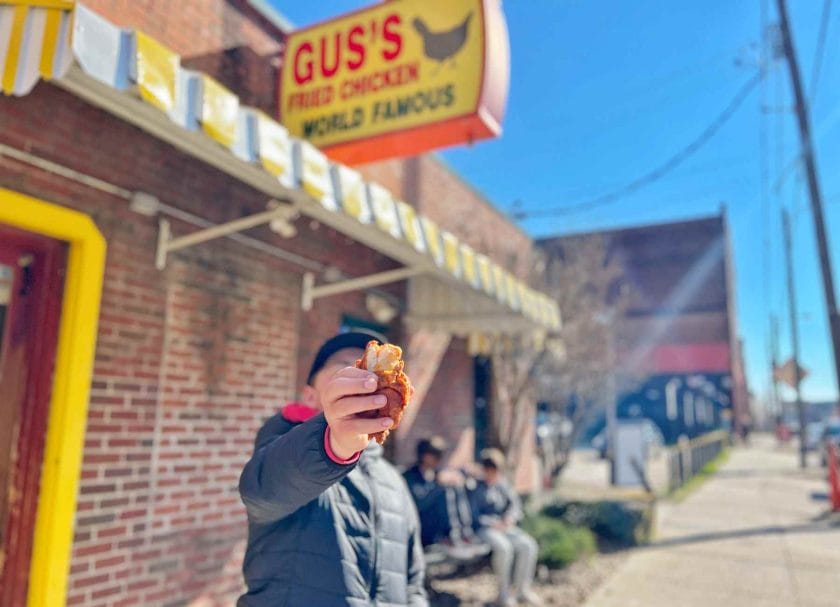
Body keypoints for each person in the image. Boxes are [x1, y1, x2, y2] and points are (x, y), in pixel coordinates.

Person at [238, 331, 427, 606]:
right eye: (345, 365)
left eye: (371, 366)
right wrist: (334, 442)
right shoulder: (281, 446)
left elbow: (413, 584)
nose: (365, 377)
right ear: (310, 395)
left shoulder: (395, 480)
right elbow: (262, 493)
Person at [472, 449, 542, 607]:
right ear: (484, 469)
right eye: (489, 470)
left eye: (495, 470)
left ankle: (522, 590)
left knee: (528, 545)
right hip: (485, 529)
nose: (492, 473)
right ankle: (503, 594)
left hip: (504, 526)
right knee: (504, 548)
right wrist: (493, 523)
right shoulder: (476, 488)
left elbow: (514, 504)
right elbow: (474, 515)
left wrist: (509, 517)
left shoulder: (502, 484)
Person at [403, 436, 476, 550]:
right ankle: (451, 535)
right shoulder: (410, 476)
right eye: (434, 455)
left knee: (453, 486)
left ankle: (463, 532)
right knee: (445, 490)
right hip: (421, 527)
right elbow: (419, 504)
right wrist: (438, 485)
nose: (437, 459)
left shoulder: (436, 474)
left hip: (437, 529)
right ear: (423, 455)